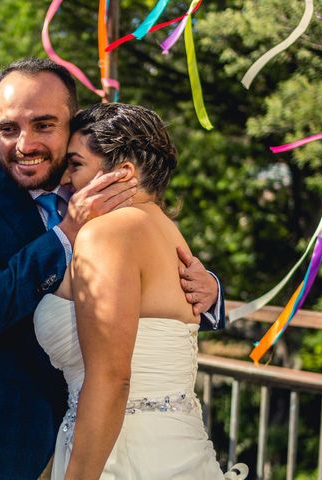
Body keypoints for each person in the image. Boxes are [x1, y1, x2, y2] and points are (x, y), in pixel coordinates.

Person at [0, 58, 224, 479]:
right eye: (10, 128)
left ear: (72, 122)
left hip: (114, 443)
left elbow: (154, 266)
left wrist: (210, 290)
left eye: (44, 125)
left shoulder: (112, 194)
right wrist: (66, 231)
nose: (25, 143)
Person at [34, 103, 247, 479]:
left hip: (123, 458)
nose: (65, 179)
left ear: (124, 172)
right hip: (171, 446)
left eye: (76, 164)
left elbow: (112, 378)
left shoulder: (108, 234)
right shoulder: (165, 229)